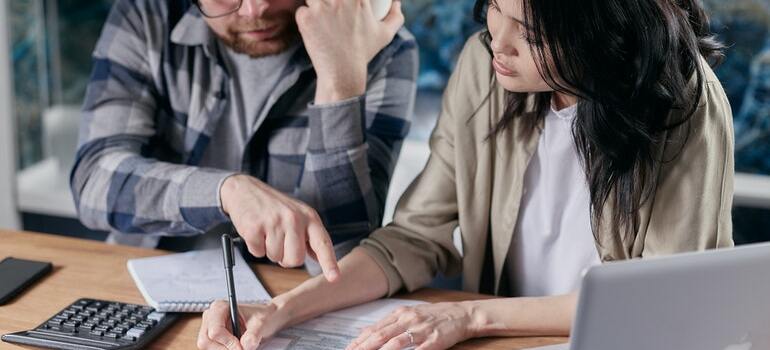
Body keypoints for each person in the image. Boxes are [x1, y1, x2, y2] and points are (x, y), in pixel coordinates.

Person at [198, 0, 735, 348]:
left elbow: (661, 298)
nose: (497, 42)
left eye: (528, 32)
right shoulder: (485, 67)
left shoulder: (684, 101)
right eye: (494, 11)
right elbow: (411, 238)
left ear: (602, 31)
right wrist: (282, 310)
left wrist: (473, 318)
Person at [70, 0, 418, 281]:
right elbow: (93, 182)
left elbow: (341, 261)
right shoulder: (146, 15)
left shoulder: (384, 49)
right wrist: (226, 192)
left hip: (293, 300)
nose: (255, 10)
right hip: (143, 275)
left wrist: (339, 84)